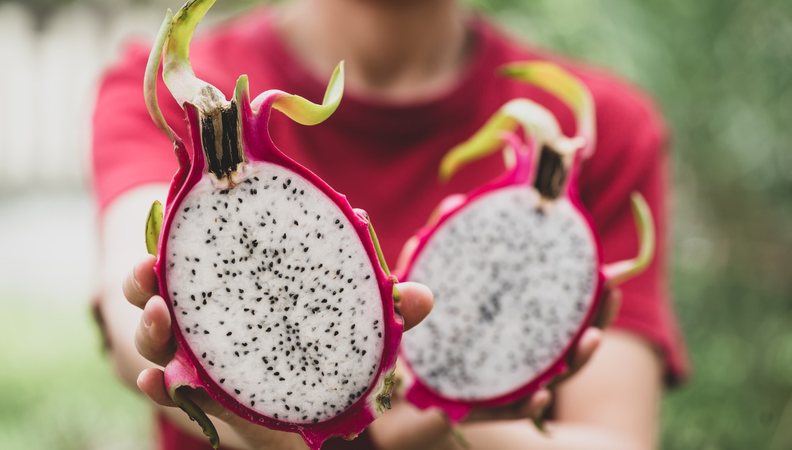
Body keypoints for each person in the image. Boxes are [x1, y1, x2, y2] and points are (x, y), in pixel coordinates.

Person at [92, 0, 687, 449]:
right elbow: (135, 318)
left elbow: (612, 436)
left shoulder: (603, 131)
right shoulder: (168, 94)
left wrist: (385, 421)